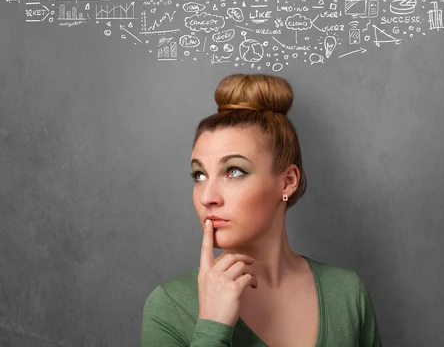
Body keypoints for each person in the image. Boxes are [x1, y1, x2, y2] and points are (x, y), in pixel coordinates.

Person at [141, 73, 383, 346]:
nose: (207, 196)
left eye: (233, 171)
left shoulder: (347, 294)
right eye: (199, 175)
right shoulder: (170, 306)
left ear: (288, 181)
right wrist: (212, 326)